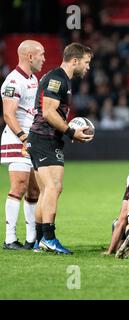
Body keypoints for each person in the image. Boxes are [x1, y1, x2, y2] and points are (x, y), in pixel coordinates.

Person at [27, 43, 94, 254]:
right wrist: (70, 131)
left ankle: (40, 241)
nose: (88, 67)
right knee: (54, 188)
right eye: (86, 62)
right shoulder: (58, 78)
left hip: (43, 139)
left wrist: (66, 130)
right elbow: (48, 112)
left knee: (47, 190)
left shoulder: (61, 78)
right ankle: (49, 238)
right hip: (44, 139)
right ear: (75, 61)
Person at [1, 40, 45, 250]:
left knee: (34, 190)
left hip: (31, 138)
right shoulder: (13, 81)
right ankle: (9, 239)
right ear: (29, 56)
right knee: (18, 186)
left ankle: (31, 238)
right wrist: (23, 138)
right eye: (41, 55)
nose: (44, 59)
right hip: (17, 139)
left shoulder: (33, 79)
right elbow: (8, 114)